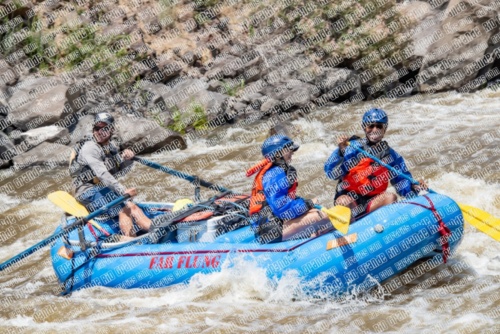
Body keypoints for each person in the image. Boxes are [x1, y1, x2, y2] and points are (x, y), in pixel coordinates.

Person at [324, 108, 426, 219]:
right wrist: (341, 151)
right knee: (344, 202)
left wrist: (415, 187)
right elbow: (331, 172)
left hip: (373, 201)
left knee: (391, 197)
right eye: (371, 126)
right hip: (350, 199)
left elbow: (402, 182)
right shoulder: (351, 147)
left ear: (384, 129)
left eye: (379, 126)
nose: (375, 129)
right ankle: (350, 229)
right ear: (364, 127)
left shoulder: (390, 155)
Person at [70, 112, 152, 240]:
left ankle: (154, 229)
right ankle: (131, 242)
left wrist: (128, 160)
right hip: (86, 191)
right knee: (124, 208)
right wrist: (123, 191)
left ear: (111, 130)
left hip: (103, 188)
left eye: (105, 128)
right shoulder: (90, 148)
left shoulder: (110, 147)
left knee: (131, 205)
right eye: (97, 128)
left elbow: (119, 172)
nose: (100, 132)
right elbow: (102, 174)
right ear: (93, 129)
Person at [247, 135, 331, 244]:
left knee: (315, 211)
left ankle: (318, 236)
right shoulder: (274, 174)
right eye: (288, 149)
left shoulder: (275, 171)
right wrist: (306, 205)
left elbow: (286, 199)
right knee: (319, 216)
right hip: (270, 230)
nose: (292, 152)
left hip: (271, 225)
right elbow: (282, 208)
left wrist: (305, 204)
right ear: (277, 155)